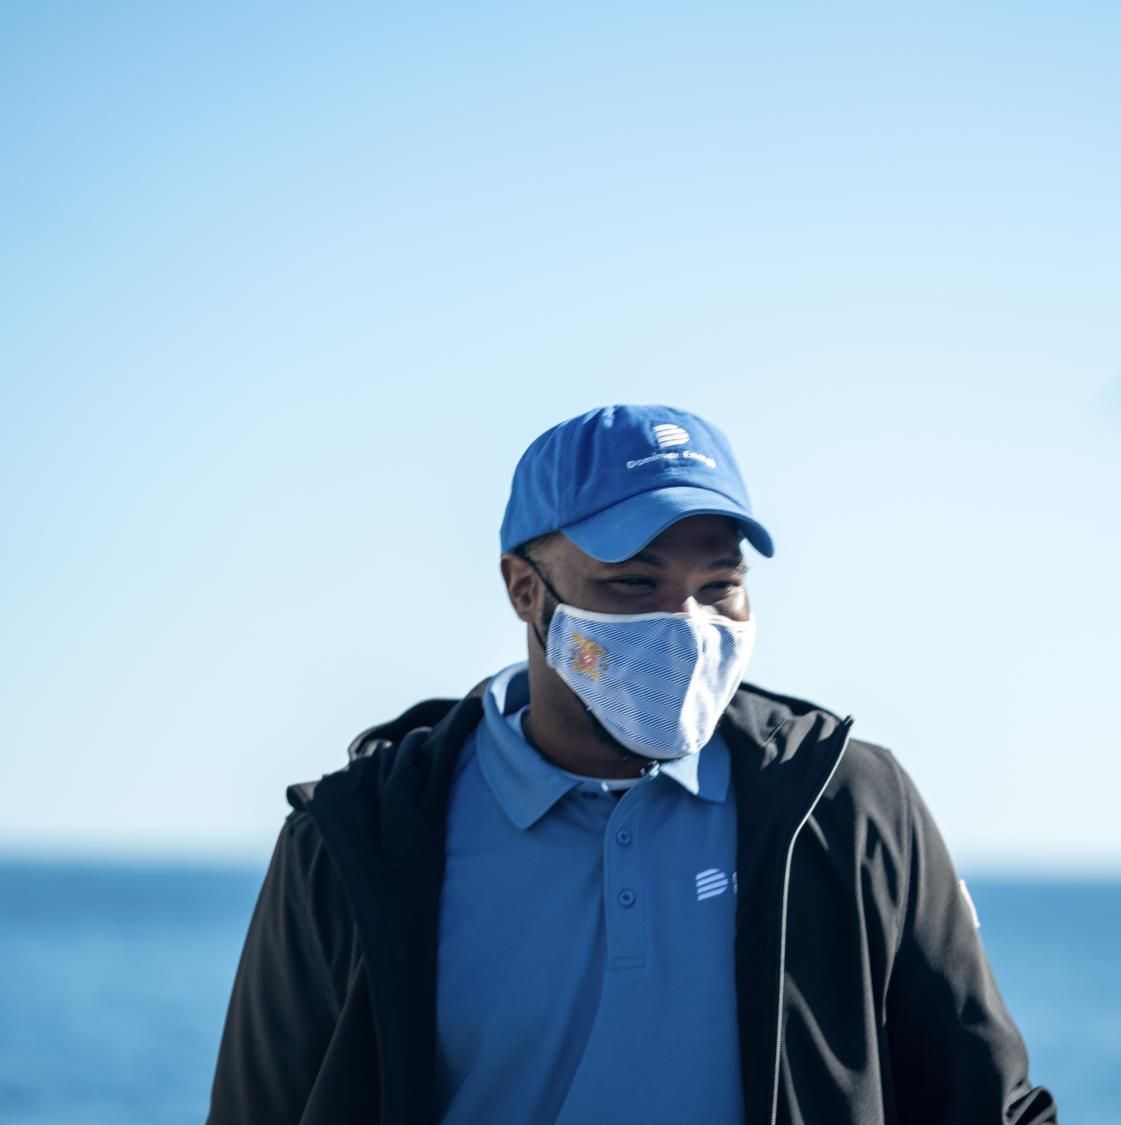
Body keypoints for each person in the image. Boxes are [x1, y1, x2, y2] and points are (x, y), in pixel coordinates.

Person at [209, 404, 1056, 1125]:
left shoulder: (850, 807)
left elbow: (990, 1107)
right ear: (524, 589)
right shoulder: (358, 838)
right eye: (631, 584)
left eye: (719, 585)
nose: (684, 624)